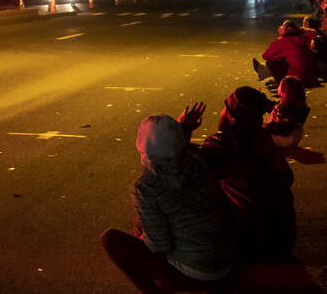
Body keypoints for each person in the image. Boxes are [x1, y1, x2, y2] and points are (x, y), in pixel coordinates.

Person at [101, 110, 238, 292]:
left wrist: (145, 236)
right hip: (226, 261)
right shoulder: (199, 164)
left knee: (110, 239)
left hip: (194, 273)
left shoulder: (146, 188)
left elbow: (160, 247)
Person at [200, 87, 296, 262]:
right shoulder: (265, 138)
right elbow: (287, 178)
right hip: (284, 235)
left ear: (232, 118)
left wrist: (183, 129)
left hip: (251, 241)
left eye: (225, 110)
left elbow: (185, 173)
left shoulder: (221, 147)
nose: (221, 114)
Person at [253, 20, 317, 84]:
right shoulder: (303, 37)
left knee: (272, 62)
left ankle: (280, 83)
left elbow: (265, 56)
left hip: (297, 79)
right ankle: (265, 71)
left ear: (288, 29)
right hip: (311, 77)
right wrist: (300, 29)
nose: (279, 28)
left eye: (282, 26)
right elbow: (313, 32)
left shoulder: (283, 41)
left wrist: (278, 55)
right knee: (286, 58)